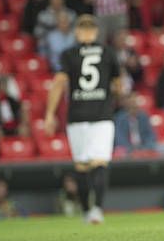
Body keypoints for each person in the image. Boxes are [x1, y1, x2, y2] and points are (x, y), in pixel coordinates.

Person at [44, 15, 121, 224]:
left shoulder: (68, 54)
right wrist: (111, 96)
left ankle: (87, 211)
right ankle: (97, 209)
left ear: (77, 32)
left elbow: (59, 83)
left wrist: (50, 114)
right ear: (96, 32)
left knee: (82, 165)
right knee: (100, 163)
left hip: (77, 115)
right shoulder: (108, 53)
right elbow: (118, 84)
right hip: (102, 115)